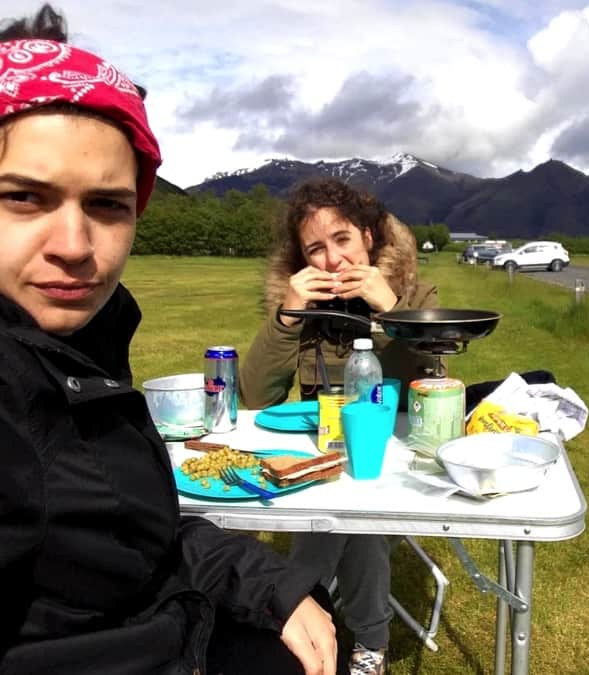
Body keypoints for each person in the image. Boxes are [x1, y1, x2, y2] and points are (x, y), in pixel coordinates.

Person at [0, 24, 345, 675]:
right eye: (24, 197)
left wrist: (265, 582)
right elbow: (252, 393)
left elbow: (136, 531)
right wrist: (291, 315)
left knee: (320, 603)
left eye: (107, 204)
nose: (74, 244)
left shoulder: (84, 343)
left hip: (164, 617)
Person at [240, 178, 438, 675]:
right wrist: (288, 314)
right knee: (353, 513)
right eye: (316, 249)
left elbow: (437, 383)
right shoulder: (301, 306)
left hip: (402, 459)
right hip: (325, 458)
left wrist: (391, 309)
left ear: (368, 237)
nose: (334, 260)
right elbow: (254, 396)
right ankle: (371, 642)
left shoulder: (415, 293)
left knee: (354, 512)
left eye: (343, 239)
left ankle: (290, 619)